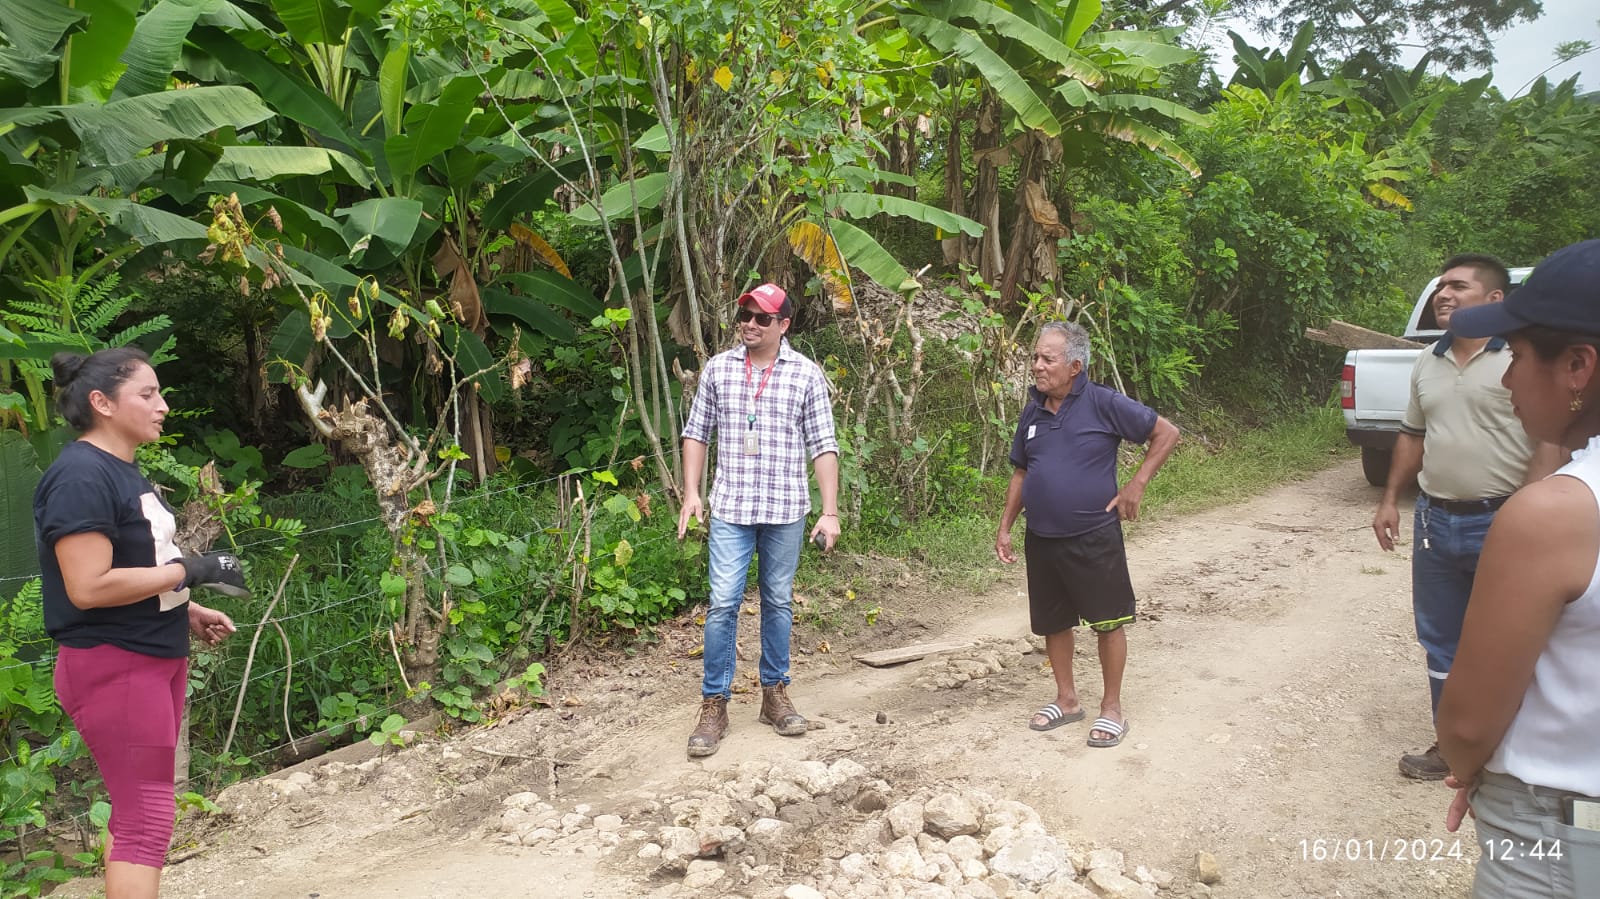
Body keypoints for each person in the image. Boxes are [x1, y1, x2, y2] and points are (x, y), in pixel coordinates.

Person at [33, 347, 248, 899]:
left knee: (138, 809)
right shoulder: (81, 476)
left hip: (153, 658)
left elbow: (134, 567)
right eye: (147, 394)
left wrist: (186, 605)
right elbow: (88, 586)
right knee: (147, 818)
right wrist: (191, 570)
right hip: (116, 663)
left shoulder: (120, 470)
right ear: (102, 403)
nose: (163, 406)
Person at [1436, 238, 1600, 897]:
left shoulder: (1556, 514)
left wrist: (1470, 763)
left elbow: (1467, 724)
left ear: (1578, 365)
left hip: (1560, 833)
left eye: (1519, 355)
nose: (1507, 379)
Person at [1371, 253, 1566, 780]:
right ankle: (1451, 746)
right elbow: (1413, 434)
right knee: (1440, 640)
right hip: (1435, 521)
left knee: (1510, 638)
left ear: (1495, 299)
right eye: (1441, 286)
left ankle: (1518, 750)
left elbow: (1548, 441)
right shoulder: (1427, 360)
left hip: (1503, 518)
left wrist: (1529, 514)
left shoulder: (1520, 357)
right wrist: (1390, 499)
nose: (1444, 294)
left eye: (1458, 286)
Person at [995, 321, 1179, 748]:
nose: (1037, 366)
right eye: (1036, 357)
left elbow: (1166, 433)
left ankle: (1111, 708)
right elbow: (1022, 472)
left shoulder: (1103, 402)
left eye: (1048, 359)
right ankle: (1067, 700)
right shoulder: (1033, 412)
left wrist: (1136, 484)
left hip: (1093, 536)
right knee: (1054, 622)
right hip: (1042, 538)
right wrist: (1005, 526)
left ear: (1075, 366)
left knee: (1107, 622)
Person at [676, 283, 840, 758]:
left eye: (761, 318)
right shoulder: (719, 369)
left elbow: (823, 446)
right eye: (745, 315)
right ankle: (714, 704)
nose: (749, 324)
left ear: (783, 325)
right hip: (732, 507)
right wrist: (691, 493)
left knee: (778, 602)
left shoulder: (805, 375)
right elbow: (696, 433)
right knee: (723, 604)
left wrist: (829, 512)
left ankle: (775, 694)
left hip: (785, 509)